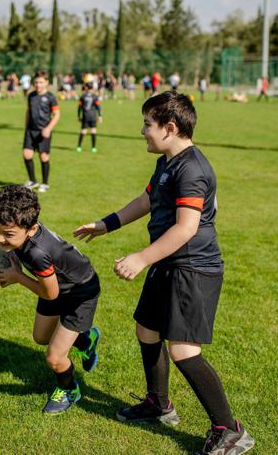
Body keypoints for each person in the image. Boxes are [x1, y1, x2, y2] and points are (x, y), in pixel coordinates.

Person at [74, 90, 254, 455]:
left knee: (184, 350)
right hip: (169, 263)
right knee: (147, 329)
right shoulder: (169, 162)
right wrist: (106, 225)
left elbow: (186, 228)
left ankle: (230, 430)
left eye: (147, 124)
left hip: (192, 268)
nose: (142, 131)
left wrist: (141, 258)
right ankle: (159, 404)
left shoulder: (192, 169)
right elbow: (147, 200)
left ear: (170, 128)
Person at [0, 185, 101, 414]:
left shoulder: (37, 254)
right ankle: (86, 339)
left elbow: (50, 294)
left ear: (31, 230)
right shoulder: (20, 229)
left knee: (54, 357)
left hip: (80, 293)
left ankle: (69, 390)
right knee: (41, 337)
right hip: (59, 285)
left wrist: (17, 277)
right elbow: (50, 289)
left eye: (8, 235)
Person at [22, 71, 60, 193]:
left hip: (43, 131)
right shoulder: (31, 95)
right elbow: (28, 111)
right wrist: (26, 126)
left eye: (41, 82)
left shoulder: (50, 97)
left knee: (43, 157)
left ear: (46, 83)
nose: (38, 85)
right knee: (26, 154)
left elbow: (57, 114)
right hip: (30, 130)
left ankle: (45, 183)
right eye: (36, 82)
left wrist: (48, 128)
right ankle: (33, 181)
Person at [76, 83, 102, 153]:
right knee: (93, 131)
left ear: (86, 88)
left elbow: (79, 108)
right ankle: (93, 148)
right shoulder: (95, 96)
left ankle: (79, 147)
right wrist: (100, 116)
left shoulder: (82, 96)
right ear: (92, 88)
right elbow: (98, 107)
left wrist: (78, 116)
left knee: (83, 131)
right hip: (93, 116)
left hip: (85, 116)